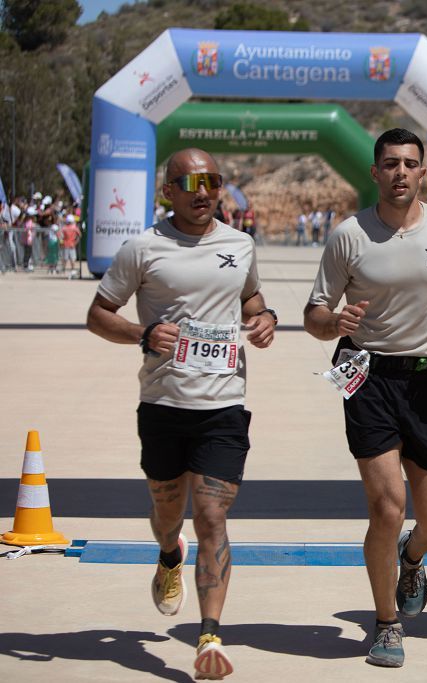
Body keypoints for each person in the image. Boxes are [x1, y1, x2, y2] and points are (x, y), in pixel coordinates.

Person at [86, 147, 276, 680]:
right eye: (188, 182)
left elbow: (252, 301)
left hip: (223, 405)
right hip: (163, 405)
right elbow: (99, 314)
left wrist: (265, 321)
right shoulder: (143, 249)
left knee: (213, 516)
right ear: (166, 190)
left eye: (211, 180)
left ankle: (209, 635)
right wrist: (141, 334)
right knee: (169, 515)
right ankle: (170, 553)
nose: (202, 191)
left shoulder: (240, 245)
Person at [303, 128, 427, 669]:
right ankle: (386, 623)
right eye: (390, 163)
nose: (400, 172)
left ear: (423, 172)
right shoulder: (348, 235)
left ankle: (412, 556)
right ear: (375, 172)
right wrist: (333, 321)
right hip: (366, 376)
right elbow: (314, 316)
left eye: (410, 163)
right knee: (386, 506)